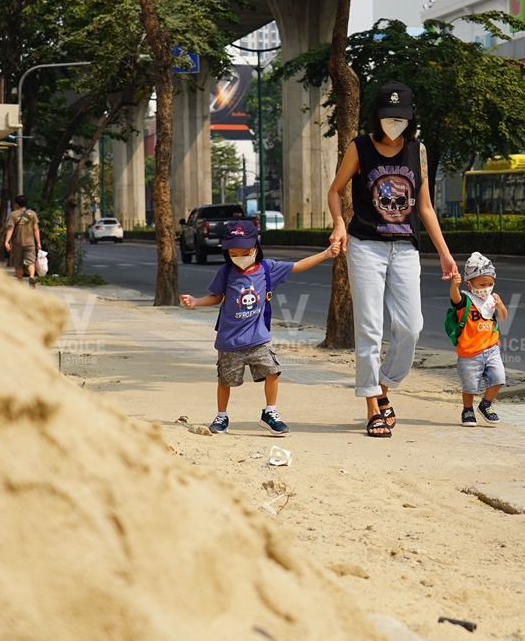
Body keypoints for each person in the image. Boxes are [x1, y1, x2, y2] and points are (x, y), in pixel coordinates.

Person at [327, 82, 458, 439]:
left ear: (410, 118)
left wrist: (445, 254)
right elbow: (335, 190)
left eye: (400, 118)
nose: (393, 124)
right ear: (377, 117)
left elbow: (425, 207)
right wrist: (340, 224)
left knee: (411, 327)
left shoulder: (419, 151)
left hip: (405, 248)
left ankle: (382, 387)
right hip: (366, 245)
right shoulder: (360, 147)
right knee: (369, 328)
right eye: (388, 117)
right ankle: (372, 406)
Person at [181, 220, 339, 436]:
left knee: (272, 371)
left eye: (245, 252)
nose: (240, 258)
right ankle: (221, 417)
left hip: (258, 338)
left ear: (256, 246)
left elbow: (298, 266)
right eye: (234, 253)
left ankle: (270, 413)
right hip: (229, 341)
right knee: (225, 381)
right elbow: (216, 296)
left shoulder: (268, 268)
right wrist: (196, 301)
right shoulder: (226, 271)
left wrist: (326, 254)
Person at [446, 252, 508, 427]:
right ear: (469, 283)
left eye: (490, 284)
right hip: (469, 352)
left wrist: (501, 306)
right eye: (482, 284)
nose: (486, 288)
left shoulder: (491, 300)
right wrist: (454, 286)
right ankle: (467, 410)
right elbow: (455, 298)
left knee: (498, 378)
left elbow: (503, 318)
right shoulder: (465, 300)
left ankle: (486, 405)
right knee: (470, 386)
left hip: (491, 348)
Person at [3, 195, 41, 287]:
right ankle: (31, 276)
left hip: (17, 243)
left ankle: (20, 283)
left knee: (18, 263)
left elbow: (10, 228)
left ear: (17, 204)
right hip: (30, 242)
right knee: (30, 262)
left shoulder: (13, 214)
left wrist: (6, 241)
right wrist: (38, 242)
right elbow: (35, 229)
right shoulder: (32, 214)